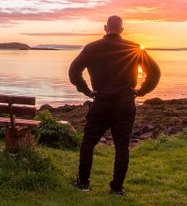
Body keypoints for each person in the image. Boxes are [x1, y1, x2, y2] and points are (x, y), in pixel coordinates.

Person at [68, 15, 161, 195]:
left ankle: (83, 183)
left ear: (105, 27)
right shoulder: (134, 48)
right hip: (125, 104)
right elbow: (154, 73)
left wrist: (86, 91)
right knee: (122, 146)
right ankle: (117, 188)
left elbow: (73, 72)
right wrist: (141, 91)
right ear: (122, 30)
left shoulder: (91, 48)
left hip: (101, 102)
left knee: (88, 142)